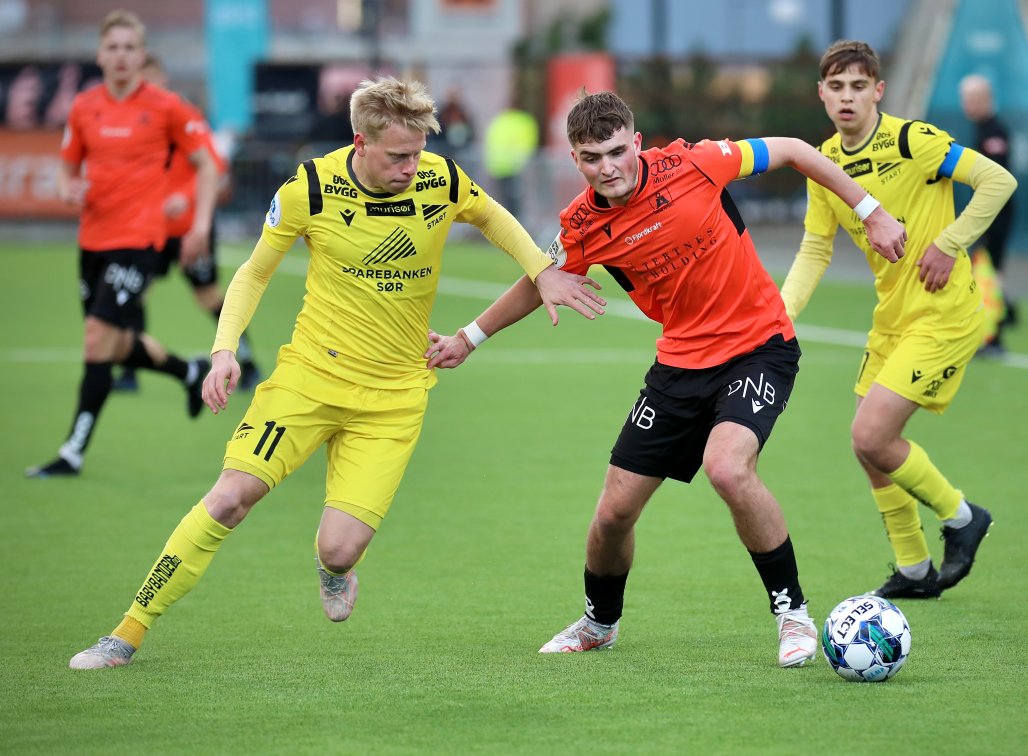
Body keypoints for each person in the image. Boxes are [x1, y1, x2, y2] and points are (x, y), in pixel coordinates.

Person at [66, 75, 605, 670]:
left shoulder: (440, 179)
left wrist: (541, 268)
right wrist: (224, 349)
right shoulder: (311, 190)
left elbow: (493, 217)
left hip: (395, 397)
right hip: (308, 381)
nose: (412, 165)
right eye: (398, 155)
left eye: (418, 151)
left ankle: (332, 570)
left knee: (341, 549)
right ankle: (126, 632)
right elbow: (252, 272)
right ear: (359, 142)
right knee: (228, 500)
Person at [424, 90, 906, 666]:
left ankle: (793, 614)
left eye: (616, 152)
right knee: (612, 514)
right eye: (591, 157)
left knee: (727, 468)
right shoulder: (581, 224)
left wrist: (871, 209)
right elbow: (540, 278)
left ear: (637, 143)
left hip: (759, 348)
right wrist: (467, 339)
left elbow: (797, 150)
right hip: (678, 367)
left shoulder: (696, 162)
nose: (607, 168)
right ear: (574, 160)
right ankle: (599, 623)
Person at [781, 41, 1017, 599]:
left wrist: (949, 242)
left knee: (872, 434)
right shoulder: (823, 163)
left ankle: (962, 518)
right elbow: (816, 249)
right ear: (821, 93)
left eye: (858, 86)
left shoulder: (915, 141)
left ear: (878, 91)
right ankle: (914, 568)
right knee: (867, 446)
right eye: (836, 87)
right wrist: (779, 315)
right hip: (891, 317)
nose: (846, 97)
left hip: (945, 313)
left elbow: (998, 181)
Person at [26, 10, 219, 479]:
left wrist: (199, 225)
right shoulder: (84, 107)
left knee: (96, 339)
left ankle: (72, 452)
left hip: (139, 242)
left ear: (141, 55)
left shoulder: (167, 106)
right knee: (113, 344)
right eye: (112, 48)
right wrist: (65, 188)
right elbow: (65, 170)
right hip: (92, 242)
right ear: (99, 55)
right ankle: (186, 372)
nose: (121, 56)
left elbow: (208, 165)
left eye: (130, 48)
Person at [113, 54, 262, 394]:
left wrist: (184, 197)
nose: (147, 88)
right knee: (134, 294)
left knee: (208, 296)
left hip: (190, 227)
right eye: (141, 82)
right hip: (150, 230)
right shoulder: (132, 121)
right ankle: (130, 371)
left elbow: (214, 168)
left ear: (163, 80)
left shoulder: (183, 116)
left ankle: (249, 363)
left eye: (152, 80)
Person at [960, 73, 1017, 356]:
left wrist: (982, 219)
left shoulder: (994, 132)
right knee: (990, 270)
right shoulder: (984, 129)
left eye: (971, 100)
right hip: (991, 214)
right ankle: (1004, 316)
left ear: (984, 99)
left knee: (987, 272)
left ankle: (993, 337)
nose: (966, 106)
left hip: (995, 215)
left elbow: (997, 181)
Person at [482, 102, 538, 221]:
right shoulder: (523, 121)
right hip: (511, 167)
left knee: (508, 202)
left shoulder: (500, 120)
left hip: (503, 167)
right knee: (511, 202)